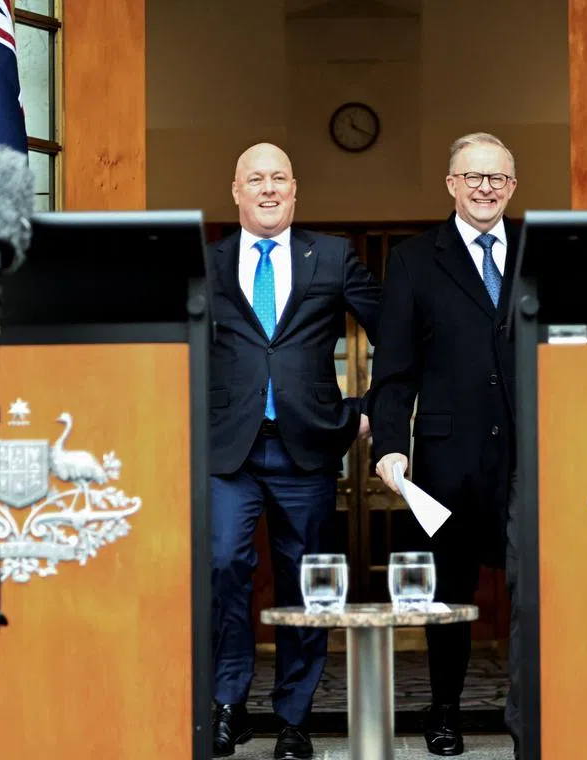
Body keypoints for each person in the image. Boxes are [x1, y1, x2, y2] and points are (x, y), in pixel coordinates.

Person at [207, 142, 382, 759]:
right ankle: (228, 704)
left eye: (279, 176)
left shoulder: (330, 255)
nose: (268, 188)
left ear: (295, 188)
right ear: (236, 191)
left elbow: (393, 329)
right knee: (224, 568)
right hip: (228, 452)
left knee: (306, 582)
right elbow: (181, 348)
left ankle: (294, 718)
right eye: (255, 178)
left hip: (307, 448)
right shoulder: (208, 263)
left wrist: (368, 413)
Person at [368, 132, 522, 758]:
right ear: (451, 184)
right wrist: (389, 444)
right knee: (449, 594)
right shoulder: (411, 260)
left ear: (512, 187)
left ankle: (535, 710)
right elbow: (395, 369)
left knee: (534, 587)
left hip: (528, 454)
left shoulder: (539, 252)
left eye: (497, 178)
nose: (485, 187)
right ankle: (445, 711)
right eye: (473, 177)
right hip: (445, 458)